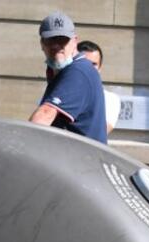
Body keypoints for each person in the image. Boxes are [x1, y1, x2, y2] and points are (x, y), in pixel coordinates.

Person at [29, 11, 107, 144]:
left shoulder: (78, 71)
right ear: (42, 43)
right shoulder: (61, 70)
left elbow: (45, 115)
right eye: (51, 40)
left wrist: (17, 144)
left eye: (62, 40)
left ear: (75, 41)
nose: (56, 46)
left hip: (80, 160)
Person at [77, 40, 121, 136]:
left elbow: (99, 133)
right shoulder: (60, 92)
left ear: (100, 68)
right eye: (84, 63)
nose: (88, 68)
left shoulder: (110, 99)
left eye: (94, 64)